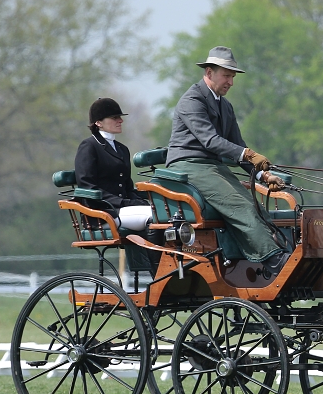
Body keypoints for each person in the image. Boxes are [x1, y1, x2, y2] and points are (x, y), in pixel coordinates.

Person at [166, 46, 289, 273]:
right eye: (227, 75)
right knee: (240, 205)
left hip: (213, 168)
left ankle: (262, 259)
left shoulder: (225, 106)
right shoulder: (191, 100)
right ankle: (273, 260)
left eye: (232, 77)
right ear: (209, 72)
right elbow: (211, 141)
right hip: (187, 167)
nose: (231, 82)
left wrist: (264, 175)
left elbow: (237, 147)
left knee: (256, 206)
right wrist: (250, 155)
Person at [75, 97, 152, 231]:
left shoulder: (122, 149)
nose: (120, 121)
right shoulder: (89, 146)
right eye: (114, 117)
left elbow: (127, 186)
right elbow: (88, 187)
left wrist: (138, 200)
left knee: (164, 214)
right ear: (98, 122)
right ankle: (154, 253)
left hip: (122, 210)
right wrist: (123, 202)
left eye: (120, 117)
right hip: (102, 213)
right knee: (154, 216)